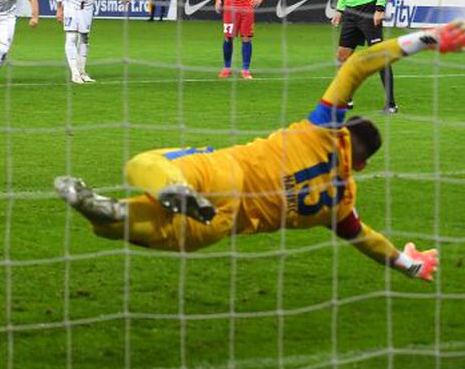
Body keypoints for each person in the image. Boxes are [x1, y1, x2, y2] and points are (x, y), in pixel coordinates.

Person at [53, 19, 464, 281]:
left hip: (222, 171)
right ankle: (118, 213)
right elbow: (369, 241)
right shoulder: (342, 206)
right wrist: (410, 264)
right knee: (126, 230)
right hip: (222, 223)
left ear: (344, 128)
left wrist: (428, 38)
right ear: (362, 163)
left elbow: (357, 66)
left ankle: (164, 191)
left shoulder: (323, 128)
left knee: (145, 163)